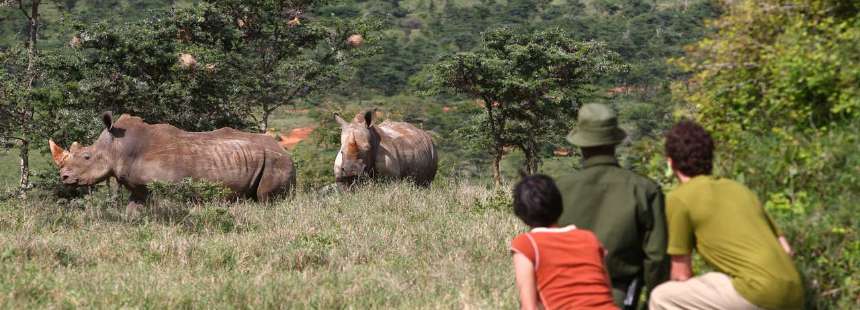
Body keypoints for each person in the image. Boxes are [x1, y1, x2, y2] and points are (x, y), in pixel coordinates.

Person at [649, 120, 804, 310]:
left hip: (756, 291)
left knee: (662, 297)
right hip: (795, 291)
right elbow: (786, 249)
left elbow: (681, 276)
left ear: (670, 162)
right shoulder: (739, 189)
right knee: (715, 280)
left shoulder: (679, 199)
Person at [555, 103, 669, 309]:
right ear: (615, 142)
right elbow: (657, 258)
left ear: (581, 144)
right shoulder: (644, 189)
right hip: (618, 296)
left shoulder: (559, 189)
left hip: (562, 297)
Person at [510, 174, 618, 310]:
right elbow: (607, 292)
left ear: (520, 212)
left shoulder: (526, 244)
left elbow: (529, 307)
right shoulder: (589, 238)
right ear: (559, 203)